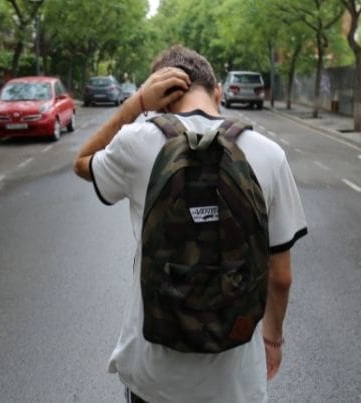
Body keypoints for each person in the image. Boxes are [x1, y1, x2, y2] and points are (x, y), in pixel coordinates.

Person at [73, 45, 307, 403]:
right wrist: (273, 339)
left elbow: (82, 161)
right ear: (217, 92)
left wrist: (136, 103)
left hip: (155, 380)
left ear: (162, 98)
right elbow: (281, 276)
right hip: (235, 384)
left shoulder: (136, 143)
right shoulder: (269, 154)